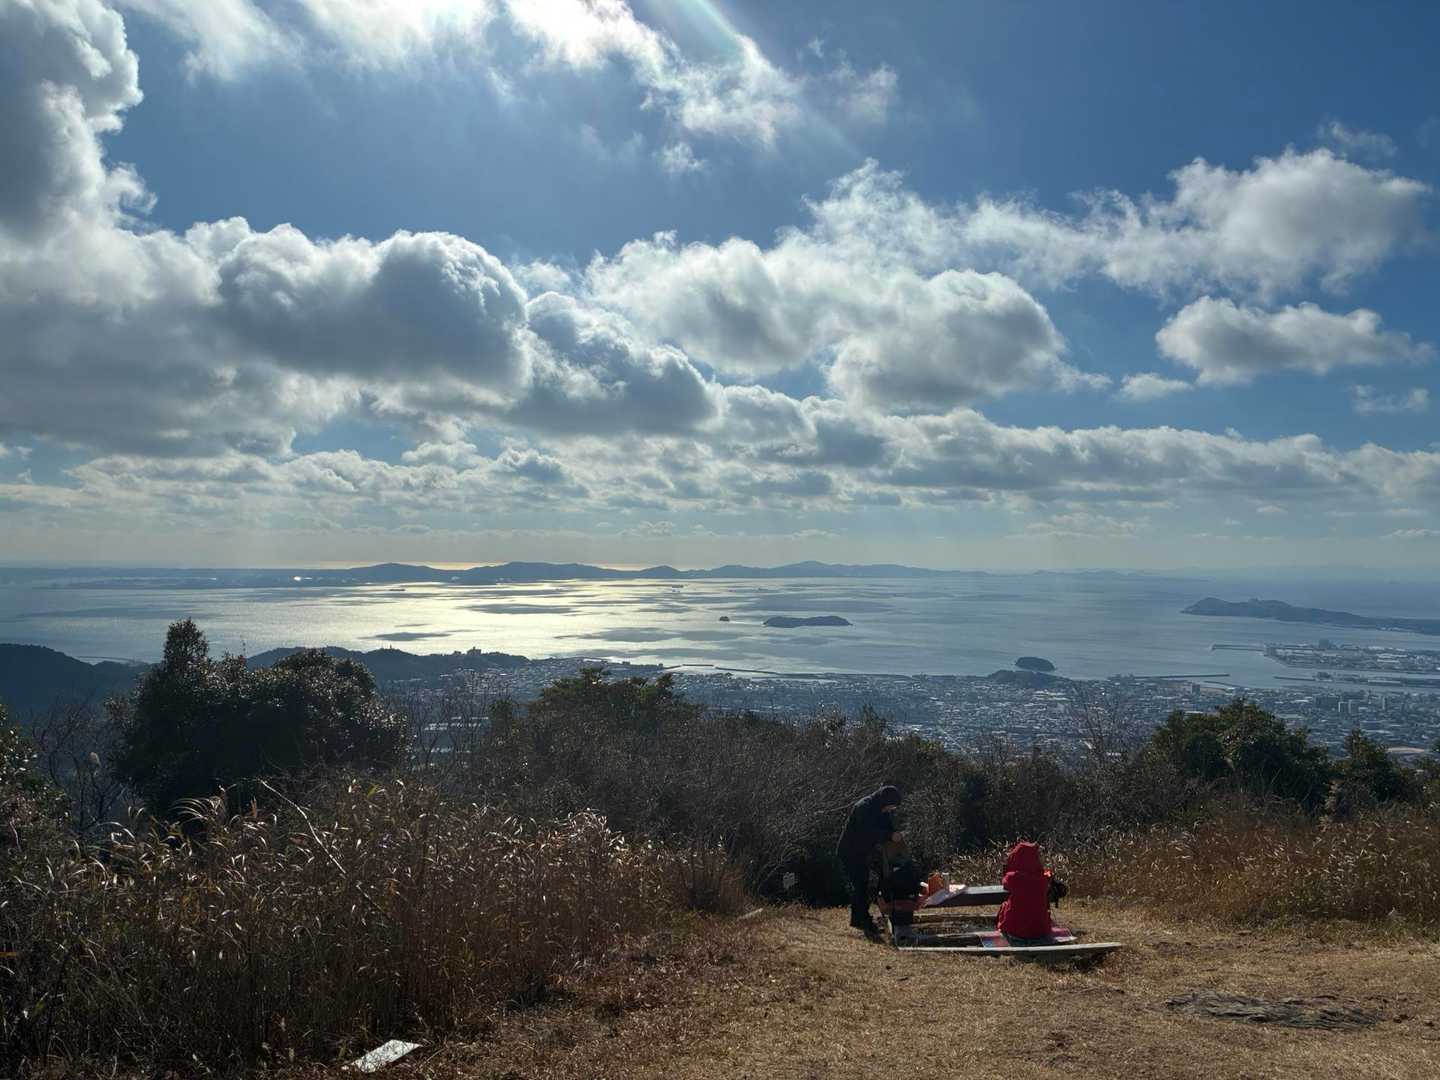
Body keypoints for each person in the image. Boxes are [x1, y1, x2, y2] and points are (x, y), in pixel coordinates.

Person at [835, 784, 902, 938]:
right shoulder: (864, 808)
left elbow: (887, 826)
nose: (891, 810)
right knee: (860, 884)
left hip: (864, 851)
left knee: (867, 882)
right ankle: (862, 921)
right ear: (885, 802)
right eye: (891, 807)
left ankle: (863, 918)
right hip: (850, 851)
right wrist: (889, 836)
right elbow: (869, 832)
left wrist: (894, 833)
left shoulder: (881, 808)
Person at [995, 840, 1059, 942]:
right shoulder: (1043, 879)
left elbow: (1005, 882)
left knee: (1005, 906)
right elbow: (1046, 875)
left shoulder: (1013, 877)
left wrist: (1010, 870)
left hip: (1016, 931)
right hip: (1041, 931)